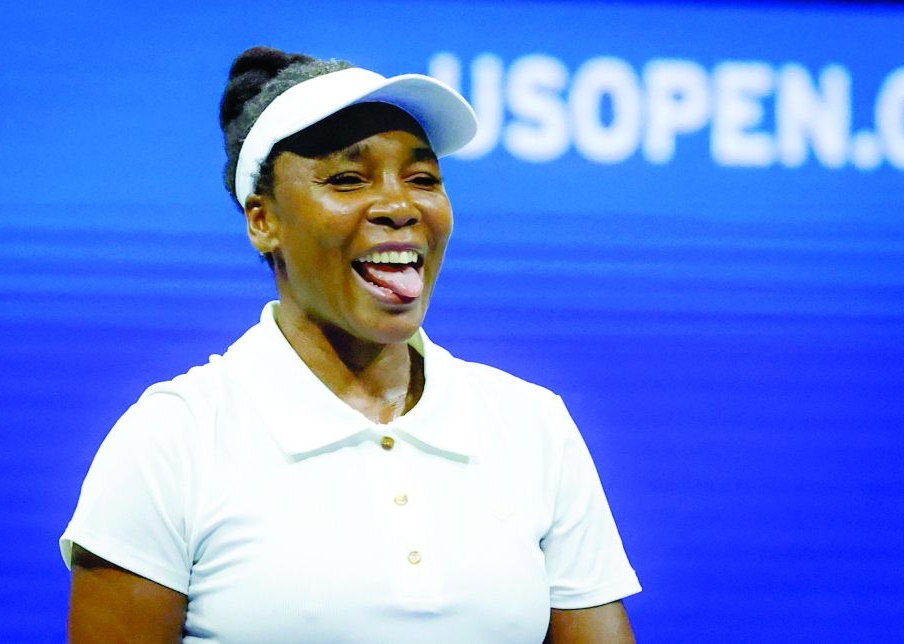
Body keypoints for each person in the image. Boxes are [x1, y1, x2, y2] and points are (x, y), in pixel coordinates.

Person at [61, 46, 641, 644]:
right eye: (347, 179)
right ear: (263, 221)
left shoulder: (532, 425)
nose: (399, 206)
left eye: (423, 179)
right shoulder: (175, 439)